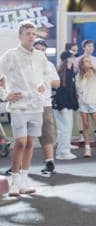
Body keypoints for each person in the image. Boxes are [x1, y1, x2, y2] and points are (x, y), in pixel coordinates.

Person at [0, 22, 60, 196]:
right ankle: (14, 182)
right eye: (27, 33)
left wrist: (42, 86)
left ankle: (25, 182)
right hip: (18, 106)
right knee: (20, 142)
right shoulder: (10, 55)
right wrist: (5, 95)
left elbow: (48, 77)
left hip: (37, 106)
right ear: (20, 36)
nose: (31, 36)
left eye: (33, 33)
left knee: (30, 143)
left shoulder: (40, 57)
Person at [32, 39, 59, 175]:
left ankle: (49, 162)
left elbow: (57, 84)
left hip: (45, 104)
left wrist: (45, 79)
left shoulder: (49, 65)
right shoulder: (26, 64)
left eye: (43, 49)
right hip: (28, 104)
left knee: (47, 133)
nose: (40, 51)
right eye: (37, 49)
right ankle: (17, 165)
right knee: (24, 136)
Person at [76, 55, 96, 157]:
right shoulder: (79, 76)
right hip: (83, 104)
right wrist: (85, 78)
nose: (89, 63)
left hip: (94, 103)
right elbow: (79, 90)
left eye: (90, 61)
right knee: (85, 126)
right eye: (86, 61)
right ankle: (87, 149)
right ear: (82, 64)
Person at [52, 48, 79, 161]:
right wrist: (63, 104)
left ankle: (63, 150)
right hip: (61, 105)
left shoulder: (70, 72)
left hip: (67, 104)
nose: (74, 59)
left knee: (67, 128)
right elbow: (62, 91)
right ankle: (63, 152)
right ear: (67, 59)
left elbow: (72, 91)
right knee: (64, 128)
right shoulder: (62, 73)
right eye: (72, 57)